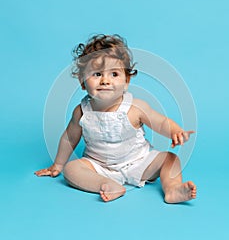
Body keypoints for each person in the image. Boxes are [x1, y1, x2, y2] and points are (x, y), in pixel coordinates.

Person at [35, 34, 197, 203]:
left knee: (170, 159)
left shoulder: (135, 108)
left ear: (126, 81)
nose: (105, 81)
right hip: (98, 166)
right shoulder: (81, 112)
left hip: (138, 162)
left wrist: (175, 131)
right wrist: (58, 165)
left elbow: (161, 122)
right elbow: (69, 138)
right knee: (71, 169)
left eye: (114, 74)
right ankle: (107, 185)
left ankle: (172, 188)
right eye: (97, 74)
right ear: (82, 82)